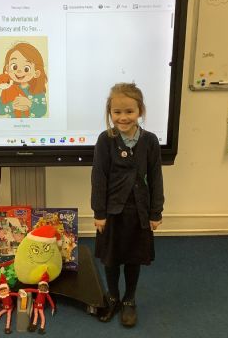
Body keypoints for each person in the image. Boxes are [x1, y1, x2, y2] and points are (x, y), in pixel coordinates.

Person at [91, 83, 164, 327]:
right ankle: (112, 297)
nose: (123, 117)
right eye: (117, 112)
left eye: (129, 111)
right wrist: (99, 212)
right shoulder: (106, 140)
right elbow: (99, 177)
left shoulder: (150, 141)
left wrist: (155, 212)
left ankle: (129, 299)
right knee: (111, 258)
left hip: (139, 212)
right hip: (112, 212)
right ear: (110, 112)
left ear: (140, 110)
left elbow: (156, 177)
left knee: (134, 258)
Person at [0, 42, 48, 118]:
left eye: (26, 68)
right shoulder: (7, 89)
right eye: (14, 67)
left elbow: (42, 111)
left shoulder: (38, 90)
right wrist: (12, 106)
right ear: (7, 69)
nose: (19, 71)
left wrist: (30, 104)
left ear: (36, 73)